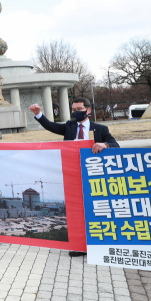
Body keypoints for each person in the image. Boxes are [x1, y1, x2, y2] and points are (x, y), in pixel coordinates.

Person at [29, 97, 119, 258]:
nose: (75, 112)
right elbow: (52, 126)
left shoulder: (100, 129)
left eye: (79, 109)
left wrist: (105, 145)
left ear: (88, 110)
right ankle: (79, 245)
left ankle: (100, 243)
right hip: (72, 174)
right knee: (76, 211)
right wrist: (38, 114)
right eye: (73, 110)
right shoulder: (69, 127)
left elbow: (115, 145)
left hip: (93, 176)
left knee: (94, 209)